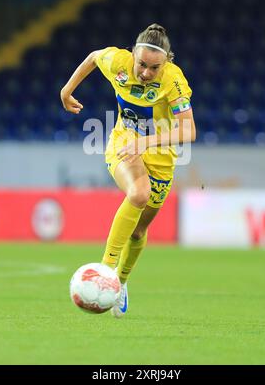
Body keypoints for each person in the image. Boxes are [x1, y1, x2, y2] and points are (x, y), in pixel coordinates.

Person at [61, 24, 196, 318]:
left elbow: (189, 129)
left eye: (154, 67)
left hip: (160, 157)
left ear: (167, 62)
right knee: (139, 193)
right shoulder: (117, 61)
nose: (146, 73)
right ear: (132, 54)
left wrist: (146, 142)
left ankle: (119, 283)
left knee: (138, 231)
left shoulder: (173, 80)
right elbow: (95, 57)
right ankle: (106, 270)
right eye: (142, 64)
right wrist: (66, 90)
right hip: (124, 143)